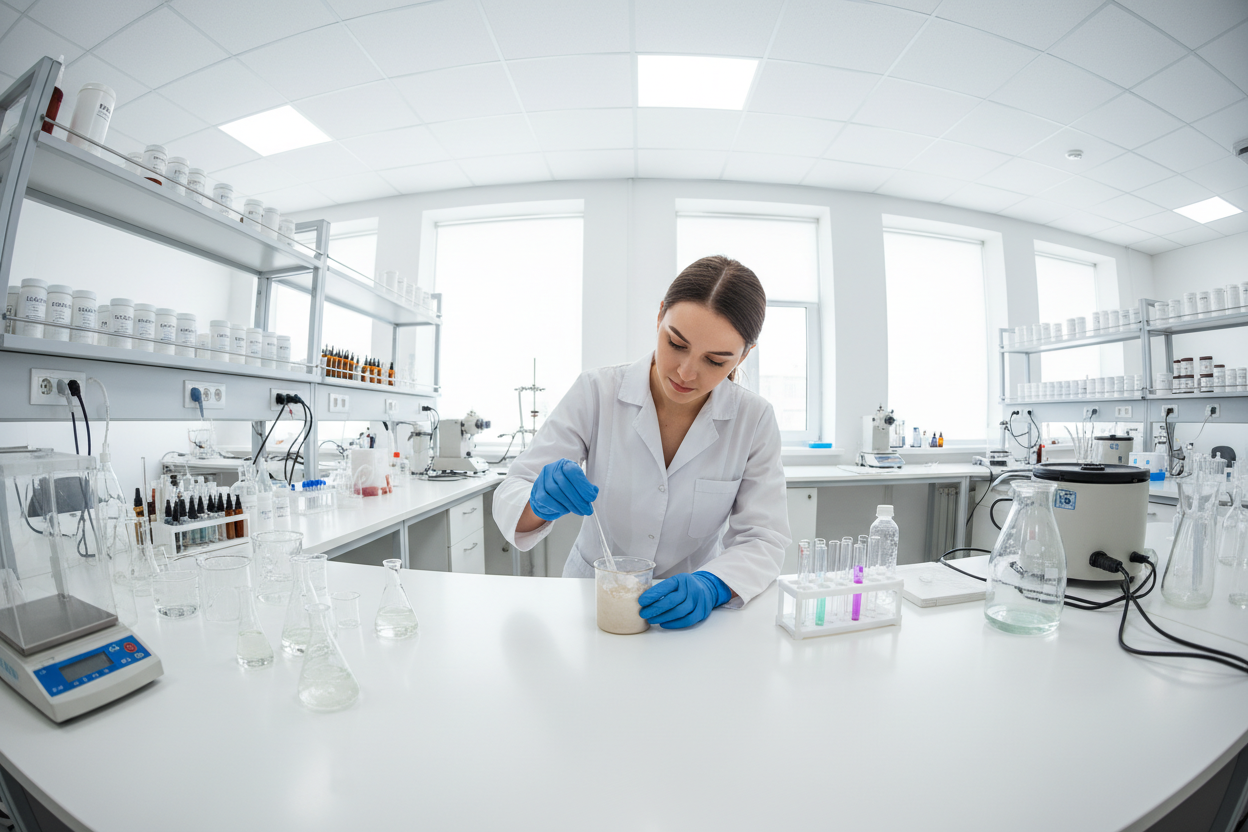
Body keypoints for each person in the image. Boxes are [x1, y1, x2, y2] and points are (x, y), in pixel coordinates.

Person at [492, 256, 790, 629]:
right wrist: (539, 502)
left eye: (715, 361)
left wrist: (712, 585)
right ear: (660, 315)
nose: (686, 372)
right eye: (676, 343)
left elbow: (763, 537)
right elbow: (514, 489)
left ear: (744, 355)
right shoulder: (597, 391)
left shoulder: (753, 419)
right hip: (592, 598)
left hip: (688, 614)